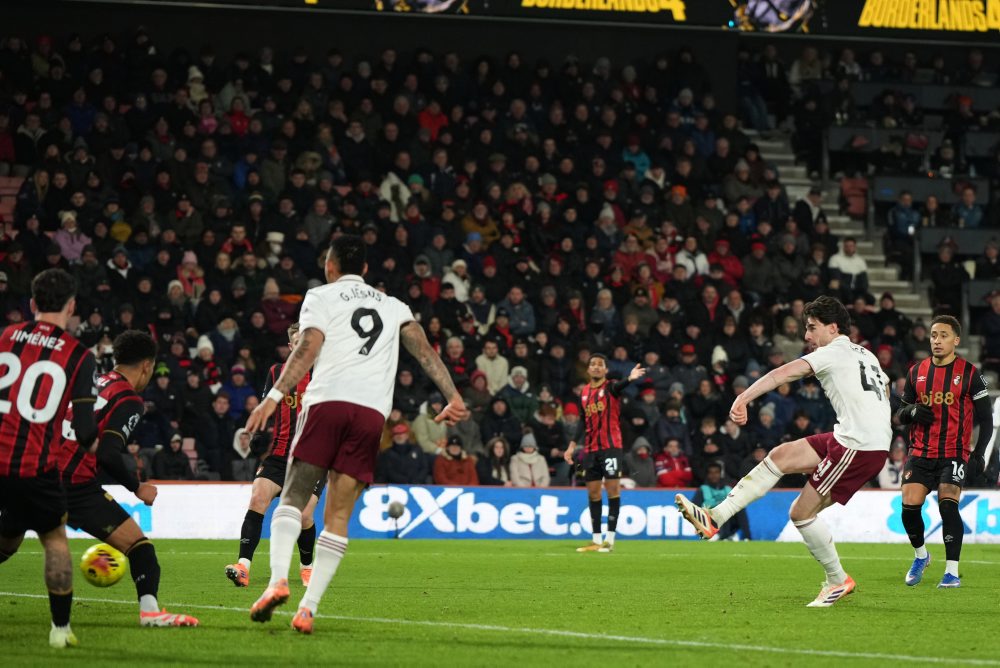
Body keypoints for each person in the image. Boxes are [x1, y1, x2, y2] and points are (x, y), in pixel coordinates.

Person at [244, 235, 467, 634]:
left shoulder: (320, 296)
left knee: (293, 495)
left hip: (327, 402)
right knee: (339, 515)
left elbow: (307, 347)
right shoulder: (395, 306)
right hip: (370, 415)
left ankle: (278, 580)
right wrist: (453, 396)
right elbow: (426, 353)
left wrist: (273, 397)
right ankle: (308, 609)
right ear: (365, 269)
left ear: (330, 266)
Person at [676, 296, 891, 607]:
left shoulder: (831, 353)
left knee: (801, 513)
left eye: (812, 328)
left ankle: (837, 580)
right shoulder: (867, 355)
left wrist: (742, 399)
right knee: (781, 455)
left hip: (857, 445)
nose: (806, 336)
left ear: (832, 328)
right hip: (858, 437)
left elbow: (782, 374)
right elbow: (883, 391)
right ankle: (715, 517)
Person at [52, 330, 197, 627]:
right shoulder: (128, 399)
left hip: (39, 473)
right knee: (140, 547)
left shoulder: (90, 382)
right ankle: (150, 613)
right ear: (147, 365)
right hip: (75, 484)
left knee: (6, 546)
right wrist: (137, 486)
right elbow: (108, 453)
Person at [0, 269, 99, 648]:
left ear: (32, 303)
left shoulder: (6, 337)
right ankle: (60, 631)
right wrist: (98, 450)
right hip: (33, 468)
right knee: (55, 539)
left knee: (8, 540)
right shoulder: (78, 356)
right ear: (72, 306)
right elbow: (86, 431)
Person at [895, 315, 996, 588]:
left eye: (943, 335)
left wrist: (979, 454)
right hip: (921, 451)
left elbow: (986, 419)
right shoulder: (917, 371)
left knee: (947, 505)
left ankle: (951, 573)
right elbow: (901, 413)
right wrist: (912, 410)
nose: (937, 340)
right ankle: (921, 556)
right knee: (908, 507)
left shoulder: (971, 374)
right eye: (933, 335)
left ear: (956, 340)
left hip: (954, 451)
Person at [225, 322, 325, 589]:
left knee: (304, 516)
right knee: (258, 498)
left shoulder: (326, 374)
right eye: (296, 342)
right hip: (278, 454)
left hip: (311, 459)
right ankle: (243, 566)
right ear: (291, 346)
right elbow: (266, 406)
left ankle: (307, 568)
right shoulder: (276, 372)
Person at [563, 353, 646, 553]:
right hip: (590, 450)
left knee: (612, 490)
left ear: (605, 370)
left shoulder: (610, 387)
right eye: (593, 364)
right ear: (588, 369)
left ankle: (609, 540)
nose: (596, 367)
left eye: (600, 365)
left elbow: (619, 387)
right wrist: (572, 446)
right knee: (592, 492)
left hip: (611, 447)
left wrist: (629, 378)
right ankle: (596, 540)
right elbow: (583, 421)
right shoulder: (584, 392)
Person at [693, 462, 751, 540]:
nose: (714, 475)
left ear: (720, 474)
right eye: (711, 473)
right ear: (707, 475)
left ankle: (747, 537)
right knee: (722, 509)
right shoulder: (703, 489)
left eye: (716, 472)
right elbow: (694, 508)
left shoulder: (727, 489)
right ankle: (722, 536)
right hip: (710, 521)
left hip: (728, 521)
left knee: (739, 508)